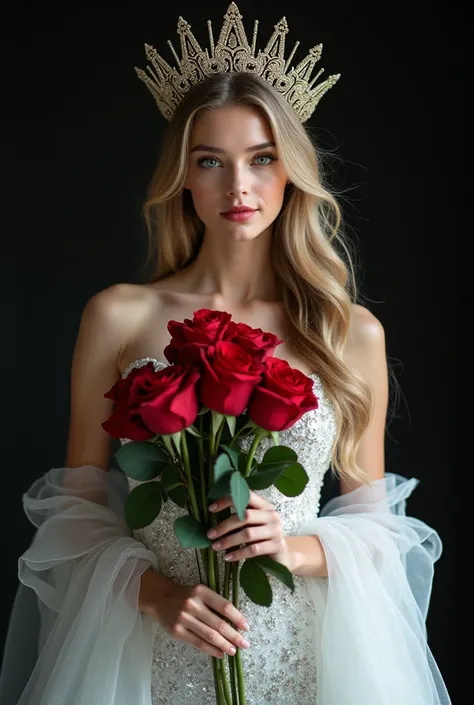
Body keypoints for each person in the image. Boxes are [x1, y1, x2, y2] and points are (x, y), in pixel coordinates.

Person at [0, 3, 452, 704]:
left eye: (262, 159)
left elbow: (374, 520)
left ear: (291, 170)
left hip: (301, 649)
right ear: (183, 175)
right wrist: (153, 593)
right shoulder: (120, 315)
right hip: (156, 647)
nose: (238, 187)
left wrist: (294, 545)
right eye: (211, 161)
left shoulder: (347, 330)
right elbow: (77, 507)